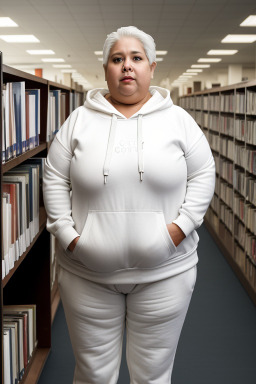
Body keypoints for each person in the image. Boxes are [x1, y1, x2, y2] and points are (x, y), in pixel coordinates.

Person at [43, 26, 215, 384]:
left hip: (165, 273)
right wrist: (69, 235)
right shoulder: (77, 121)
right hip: (86, 274)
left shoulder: (179, 121)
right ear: (105, 69)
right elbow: (54, 177)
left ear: (151, 67)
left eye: (136, 58)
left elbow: (203, 174)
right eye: (117, 59)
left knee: (152, 376)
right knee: (92, 375)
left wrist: (178, 230)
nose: (127, 66)